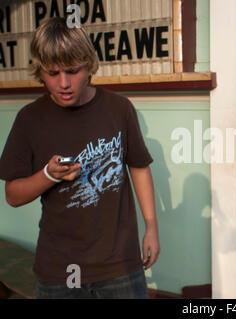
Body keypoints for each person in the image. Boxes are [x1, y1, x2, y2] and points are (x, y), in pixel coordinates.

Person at [0, 17, 160, 299]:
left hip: (119, 265)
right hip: (58, 272)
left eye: (73, 71)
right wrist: (48, 176)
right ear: (40, 71)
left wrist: (151, 227)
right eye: (52, 73)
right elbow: (12, 195)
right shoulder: (29, 119)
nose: (63, 83)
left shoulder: (119, 109)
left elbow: (138, 167)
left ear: (89, 65)